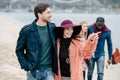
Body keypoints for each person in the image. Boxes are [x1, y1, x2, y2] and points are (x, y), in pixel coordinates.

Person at [15, 3, 58, 80]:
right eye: (48, 12)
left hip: (49, 71)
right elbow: (19, 50)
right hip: (33, 71)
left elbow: (65, 37)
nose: (51, 15)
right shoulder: (27, 30)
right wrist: (26, 66)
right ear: (40, 14)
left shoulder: (53, 28)